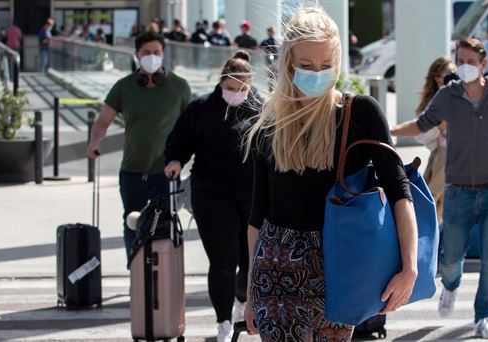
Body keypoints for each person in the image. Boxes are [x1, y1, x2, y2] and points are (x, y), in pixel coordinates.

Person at [243, 7, 417, 341]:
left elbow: (399, 191)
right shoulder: (269, 124)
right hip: (275, 268)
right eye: (306, 66)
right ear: (287, 64)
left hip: (340, 265)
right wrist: (251, 291)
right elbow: (257, 216)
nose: (316, 73)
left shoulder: (360, 113)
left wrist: (409, 267)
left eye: (326, 65)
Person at [392, 38, 488, 340]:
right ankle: (450, 287)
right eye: (459, 60)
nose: (463, 66)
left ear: (483, 64)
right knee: (450, 259)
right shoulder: (448, 96)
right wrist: (389, 130)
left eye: (469, 61)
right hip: (458, 192)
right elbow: (423, 123)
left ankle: (484, 317)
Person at [165, 50, 262, 342]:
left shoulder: (261, 106)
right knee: (222, 260)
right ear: (221, 85)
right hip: (211, 194)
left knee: (249, 261)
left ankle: (242, 303)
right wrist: (175, 160)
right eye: (231, 89)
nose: (237, 94)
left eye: (242, 89)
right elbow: (179, 139)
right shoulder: (202, 108)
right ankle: (223, 322)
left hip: (251, 195)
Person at [86, 32, 191, 265]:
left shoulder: (179, 87)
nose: (152, 57)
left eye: (157, 52)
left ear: (163, 54)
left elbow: (191, 127)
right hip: (132, 172)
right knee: (132, 223)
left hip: (166, 173)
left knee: (163, 225)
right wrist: (94, 142)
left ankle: (161, 278)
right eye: (146, 52)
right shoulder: (123, 87)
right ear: (136, 55)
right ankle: (136, 274)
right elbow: (103, 122)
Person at [414, 57, 456, 224]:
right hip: (443, 155)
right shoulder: (436, 101)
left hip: (455, 156)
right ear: (438, 77)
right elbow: (420, 134)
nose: (455, 76)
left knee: (438, 202)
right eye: (450, 73)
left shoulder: (460, 95)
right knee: (433, 199)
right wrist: (439, 127)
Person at [260, 26, 280, 92]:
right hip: (274, 61)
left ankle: (271, 89)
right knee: (274, 75)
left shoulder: (267, 41)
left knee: (271, 75)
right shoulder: (276, 41)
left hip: (272, 61)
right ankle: (273, 89)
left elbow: (259, 47)